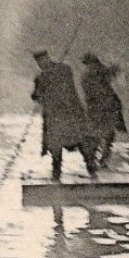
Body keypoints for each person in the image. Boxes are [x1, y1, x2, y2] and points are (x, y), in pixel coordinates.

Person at [31, 50, 98, 181]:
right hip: (63, 115)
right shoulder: (53, 73)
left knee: (71, 143)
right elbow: (38, 96)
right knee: (70, 143)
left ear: (45, 59)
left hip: (63, 115)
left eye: (41, 62)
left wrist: (45, 81)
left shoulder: (55, 72)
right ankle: (64, 172)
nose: (40, 65)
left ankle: (85, 169)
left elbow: (39, 96)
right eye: (38, 63)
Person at [80, 53, 127, 167]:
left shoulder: (88, 75)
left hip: (99, 108)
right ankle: (101, 158)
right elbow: (114, 70)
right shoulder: (99, 72)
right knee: (105, 134)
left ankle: (97, 158)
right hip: (105, 107)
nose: (89, 67)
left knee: (98, 133)